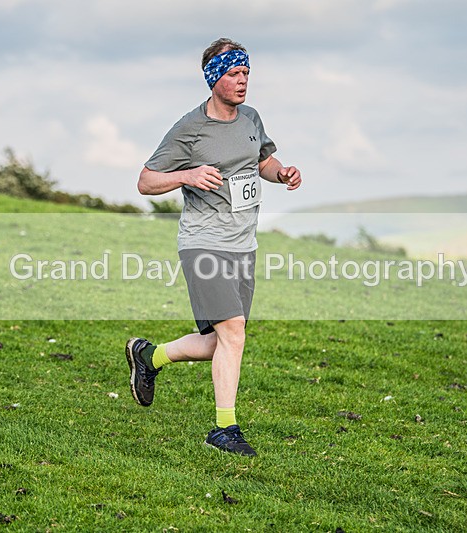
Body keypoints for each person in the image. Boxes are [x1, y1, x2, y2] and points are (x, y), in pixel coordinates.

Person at [126, 37, 302, 457]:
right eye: (234, 74)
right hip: (203, 244)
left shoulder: (251, 119)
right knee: (235, 334)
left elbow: (261, 162)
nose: (243, 82)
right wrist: (187, 176)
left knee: (217, 343)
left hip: (244, 246)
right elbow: (146, 181)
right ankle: (224, 430)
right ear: (213, 78)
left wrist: (283, 174)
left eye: (246, 74)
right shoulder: (189, 129)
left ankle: (149, 357)